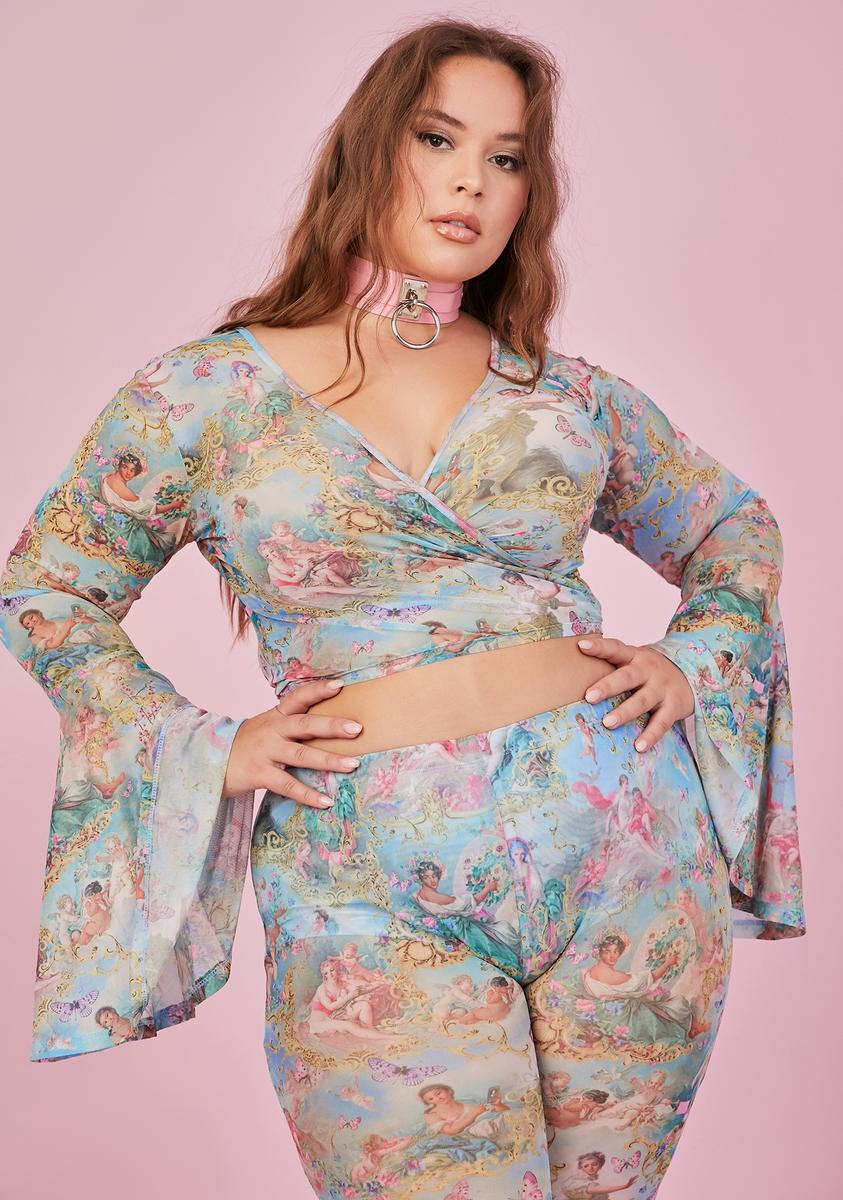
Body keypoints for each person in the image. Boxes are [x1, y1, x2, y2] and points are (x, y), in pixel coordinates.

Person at [0, 17, 805, 1200]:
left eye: (507, 156)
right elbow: (49, 583)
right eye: (439, 138)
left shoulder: (563, 393)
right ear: (370, 148)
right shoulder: (208, 394)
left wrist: (700, 655)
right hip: (368, 882)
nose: (472, 179)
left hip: (632, 860)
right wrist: (204, 744)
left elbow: (735, 527)